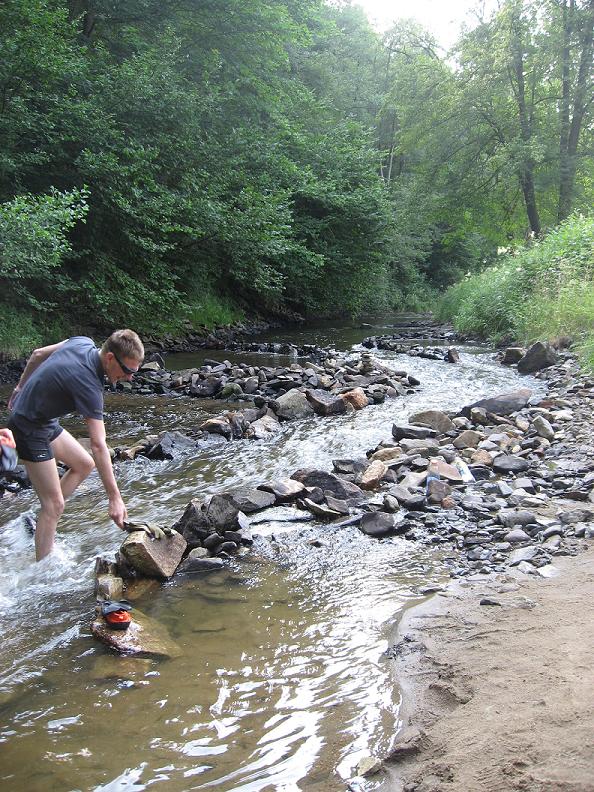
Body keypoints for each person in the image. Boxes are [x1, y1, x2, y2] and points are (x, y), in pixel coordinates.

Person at [7, 330, 144, 561]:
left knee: (83, 464)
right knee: (55, 505)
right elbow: (99, 445)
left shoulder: (82, 342)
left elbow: (37, 354)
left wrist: (20, 388)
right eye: (128, 370)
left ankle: (43, 520)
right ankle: (42, 575)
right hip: (28, 427)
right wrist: (114, 498)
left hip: (43, 420)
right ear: (110, 358)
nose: (130, 378)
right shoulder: (89, 384)